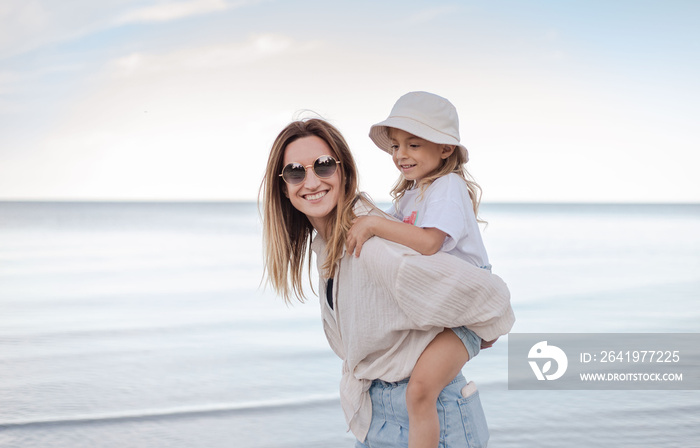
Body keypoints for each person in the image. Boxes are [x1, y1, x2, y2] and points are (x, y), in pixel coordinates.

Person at [260, 117, 514, 447]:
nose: (310, 181)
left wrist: (480, 329)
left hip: (430, 417)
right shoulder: (329, 242)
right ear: (283, 185)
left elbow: (492, 297)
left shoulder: (372, 244)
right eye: (295, 171)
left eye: (323, 166)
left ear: (343, 172)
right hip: (378, 417)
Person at [346, 91, 493, 448]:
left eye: (413, 144)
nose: (400, 155)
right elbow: (397, 250)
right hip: (444, 309)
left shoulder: (447, 186)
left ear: (445, 148)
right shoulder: (413, 194)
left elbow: (428, 243)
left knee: (420, 392)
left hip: (466, 312)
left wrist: (373, 225)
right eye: (396, 146)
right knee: (418, 388)